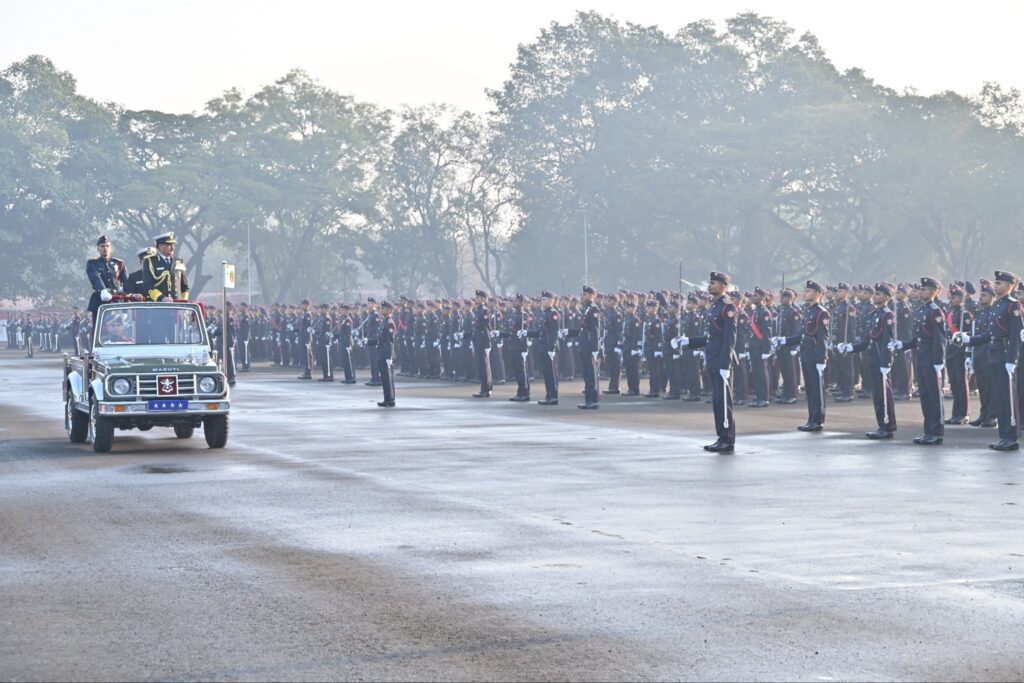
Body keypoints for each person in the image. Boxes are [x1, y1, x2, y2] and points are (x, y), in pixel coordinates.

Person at [954, 271, 1022, 451]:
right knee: (999, 398)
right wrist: (969, 339)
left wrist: (1012, 359)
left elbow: (1016, 336)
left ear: (1010, 286)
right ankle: (1003, 435)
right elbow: (989, 335)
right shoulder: (996, 306)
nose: (996, 285)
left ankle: (1011, 437)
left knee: (1008, 399)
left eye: (999, 283)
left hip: (1005, 356)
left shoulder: (1012, 306)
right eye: (996, 282)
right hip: (994, 355)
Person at [673, 272, 738, 453]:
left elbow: (729, 339)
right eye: (709, 283)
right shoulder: (715, 306)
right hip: (713, 358)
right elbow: (711, 337)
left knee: (724, 402)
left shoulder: (727, 307)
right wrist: (688, 342)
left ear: (724, 286)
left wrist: (725, 365)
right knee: (717, 401)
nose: (710, 286)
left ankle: (727, 440)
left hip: (721, 361)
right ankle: (721, 437)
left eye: (714, 283)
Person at [888, 277, 947, 445]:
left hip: (931, 360)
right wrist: (902, 344)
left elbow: (940, 339)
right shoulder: (922, 310)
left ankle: (936, 432)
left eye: (924, 289)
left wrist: (938, 361)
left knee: (935, 397)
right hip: (921, 358)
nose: (921, 292)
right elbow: (917, 338)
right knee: (926, 397)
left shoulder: (936, 311)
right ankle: (928, 430)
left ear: (934, 292)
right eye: (920, 289)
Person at [837, 283, 897, 439]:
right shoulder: (874, 315)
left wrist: (886, 363)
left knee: (884, 395)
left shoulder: (888, 316)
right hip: (873, 358)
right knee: (877, 394)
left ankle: (888, 426)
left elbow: (888, 342)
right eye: (875, 293)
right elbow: (866, 341)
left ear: (887, 297)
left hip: (881, 360)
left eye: (878, 294)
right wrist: (850, 348)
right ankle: (881, 425)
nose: (875, 296)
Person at [772, 281, 831, 432]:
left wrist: (821, 359)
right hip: (806, 354)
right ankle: (811, 418)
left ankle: (818, 421)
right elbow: (802, 335)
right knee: (810, 390)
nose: (806, 294)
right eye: (805, 291)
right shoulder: (808, 311)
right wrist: (785, 340)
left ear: (818, 294)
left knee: (817, 390)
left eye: (809, 291)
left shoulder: (821, 312)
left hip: (815, 355)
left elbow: (823, 338)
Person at [566, 285, 601, 409]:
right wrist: (568, 332)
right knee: (586, 374)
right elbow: (582, 330)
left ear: (592, 296)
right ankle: (588, 400)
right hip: (584, 345)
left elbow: (595, 330)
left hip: (590, 346)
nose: (582, 296)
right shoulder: (585, 309)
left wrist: (595, 349)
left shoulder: (593, 310)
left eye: (585, 294)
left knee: (592, 374)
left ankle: (593, 400)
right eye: (582, 294)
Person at [527, 291, 561, 405]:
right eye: (541, 299)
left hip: (550, 348)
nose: (542, 301)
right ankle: (548, 395)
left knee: (552, 373)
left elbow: (553, 333)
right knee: (546, 373)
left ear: (551, 301)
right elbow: (540, 332)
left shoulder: (553, 313)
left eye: (544, 299)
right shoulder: (543, 313)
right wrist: (527, 333)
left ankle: (553, 397)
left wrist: (552, 348)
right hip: (543, 346)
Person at [86, 235, 129, 323]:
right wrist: (103, 290)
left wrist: (126, 307)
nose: (105, 248)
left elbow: (127, 284)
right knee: (100, 328)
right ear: (98, 248)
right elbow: (95, 277)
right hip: (100, 300)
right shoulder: (92, 263)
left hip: (116, 300)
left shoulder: (119, 263)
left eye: (107, 246)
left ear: (110, 248)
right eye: (102, 246)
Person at [366, 300, 397, 407]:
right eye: (381, 308)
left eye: (383, 308)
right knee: (384, 377)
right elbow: (380, 339)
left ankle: (390, 399)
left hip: (386, 354)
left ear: (389, 310)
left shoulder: (389, 323)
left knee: (388, 378)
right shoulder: (384, 322)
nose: (381, 310)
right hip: (381, 353)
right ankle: (386, 398)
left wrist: (389, 356)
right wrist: (369, 341)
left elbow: (390, 342)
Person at [471, 290, 493, 398]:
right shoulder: (478, 310)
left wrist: (487, 344)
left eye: (479, 297)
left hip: (483, 341)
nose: (476, 299)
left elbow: (487, 328)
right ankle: (483, 388)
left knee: (485, 366)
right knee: (480, 366)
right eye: (476, 297)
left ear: (484, 299)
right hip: (478, 340)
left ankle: (487, 389)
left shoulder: (484, 311)